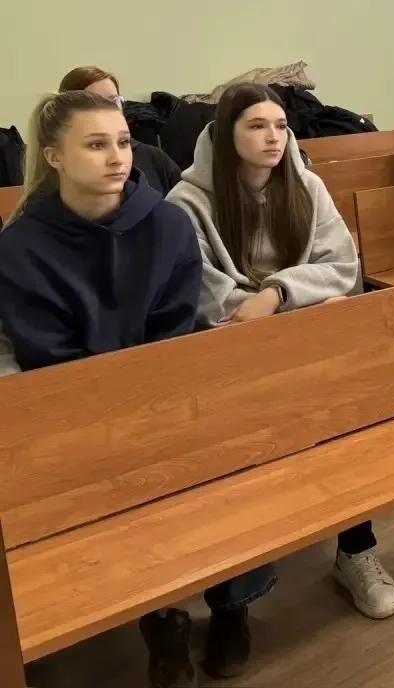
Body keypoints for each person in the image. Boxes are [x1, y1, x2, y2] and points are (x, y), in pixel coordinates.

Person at [168, 83, 394, 631]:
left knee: (384, 370)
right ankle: (359, 548)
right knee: (342, 399)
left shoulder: (305, 184)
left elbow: (342, 265)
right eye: (257, 126)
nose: (274, 137)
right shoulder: (187, 205)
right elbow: (212, 302)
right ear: (227, 135)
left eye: (281, 126)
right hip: (239, 358)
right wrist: (297, 306)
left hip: (311, 332)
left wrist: (278, 294)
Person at [0, 91, 245, 687]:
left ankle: (232, 603)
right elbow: (46, 353)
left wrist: (153, 402)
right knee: (116, 478)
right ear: (54, 156)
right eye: (95, 144)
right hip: (73, 409)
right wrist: (110, 413)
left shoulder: (167, 224)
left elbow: (176, 328)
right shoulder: (21, 246)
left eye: (122, 142)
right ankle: (163, 618)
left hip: (166, 392)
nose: (117, 157)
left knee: (225, 455)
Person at [58, 66, 182, 194]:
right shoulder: (61, 162)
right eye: (94, 103)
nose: (117, 160)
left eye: (113, 101)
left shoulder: (154, 158)